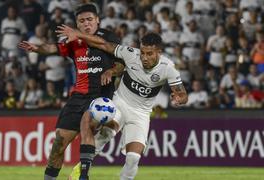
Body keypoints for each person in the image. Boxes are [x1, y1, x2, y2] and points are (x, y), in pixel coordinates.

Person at [57, 26, 188, 180]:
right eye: (143, 53)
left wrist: (180, 99)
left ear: (159, 52)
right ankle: (78, 173)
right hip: (120, 104)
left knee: (133, 158)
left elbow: (182, 93)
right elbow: (104, 44)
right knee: (101, 138)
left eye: (150, 54)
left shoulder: (168, 69)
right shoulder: (131, 54)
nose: (144, 57)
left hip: (141, 114)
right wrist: (78, 34)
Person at [18, 3, 125, 180]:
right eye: (81, 21)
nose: (86, 24)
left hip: (100, 97)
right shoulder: (73, 41)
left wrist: (111, 71)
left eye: (90, 20)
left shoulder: (108, 36)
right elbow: (52, 47)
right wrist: (37, 48)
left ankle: (83, 176)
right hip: (78, 97)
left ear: (98, 20)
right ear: (77, 23)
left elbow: (122, 63)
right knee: (59, 143)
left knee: (87, 122)